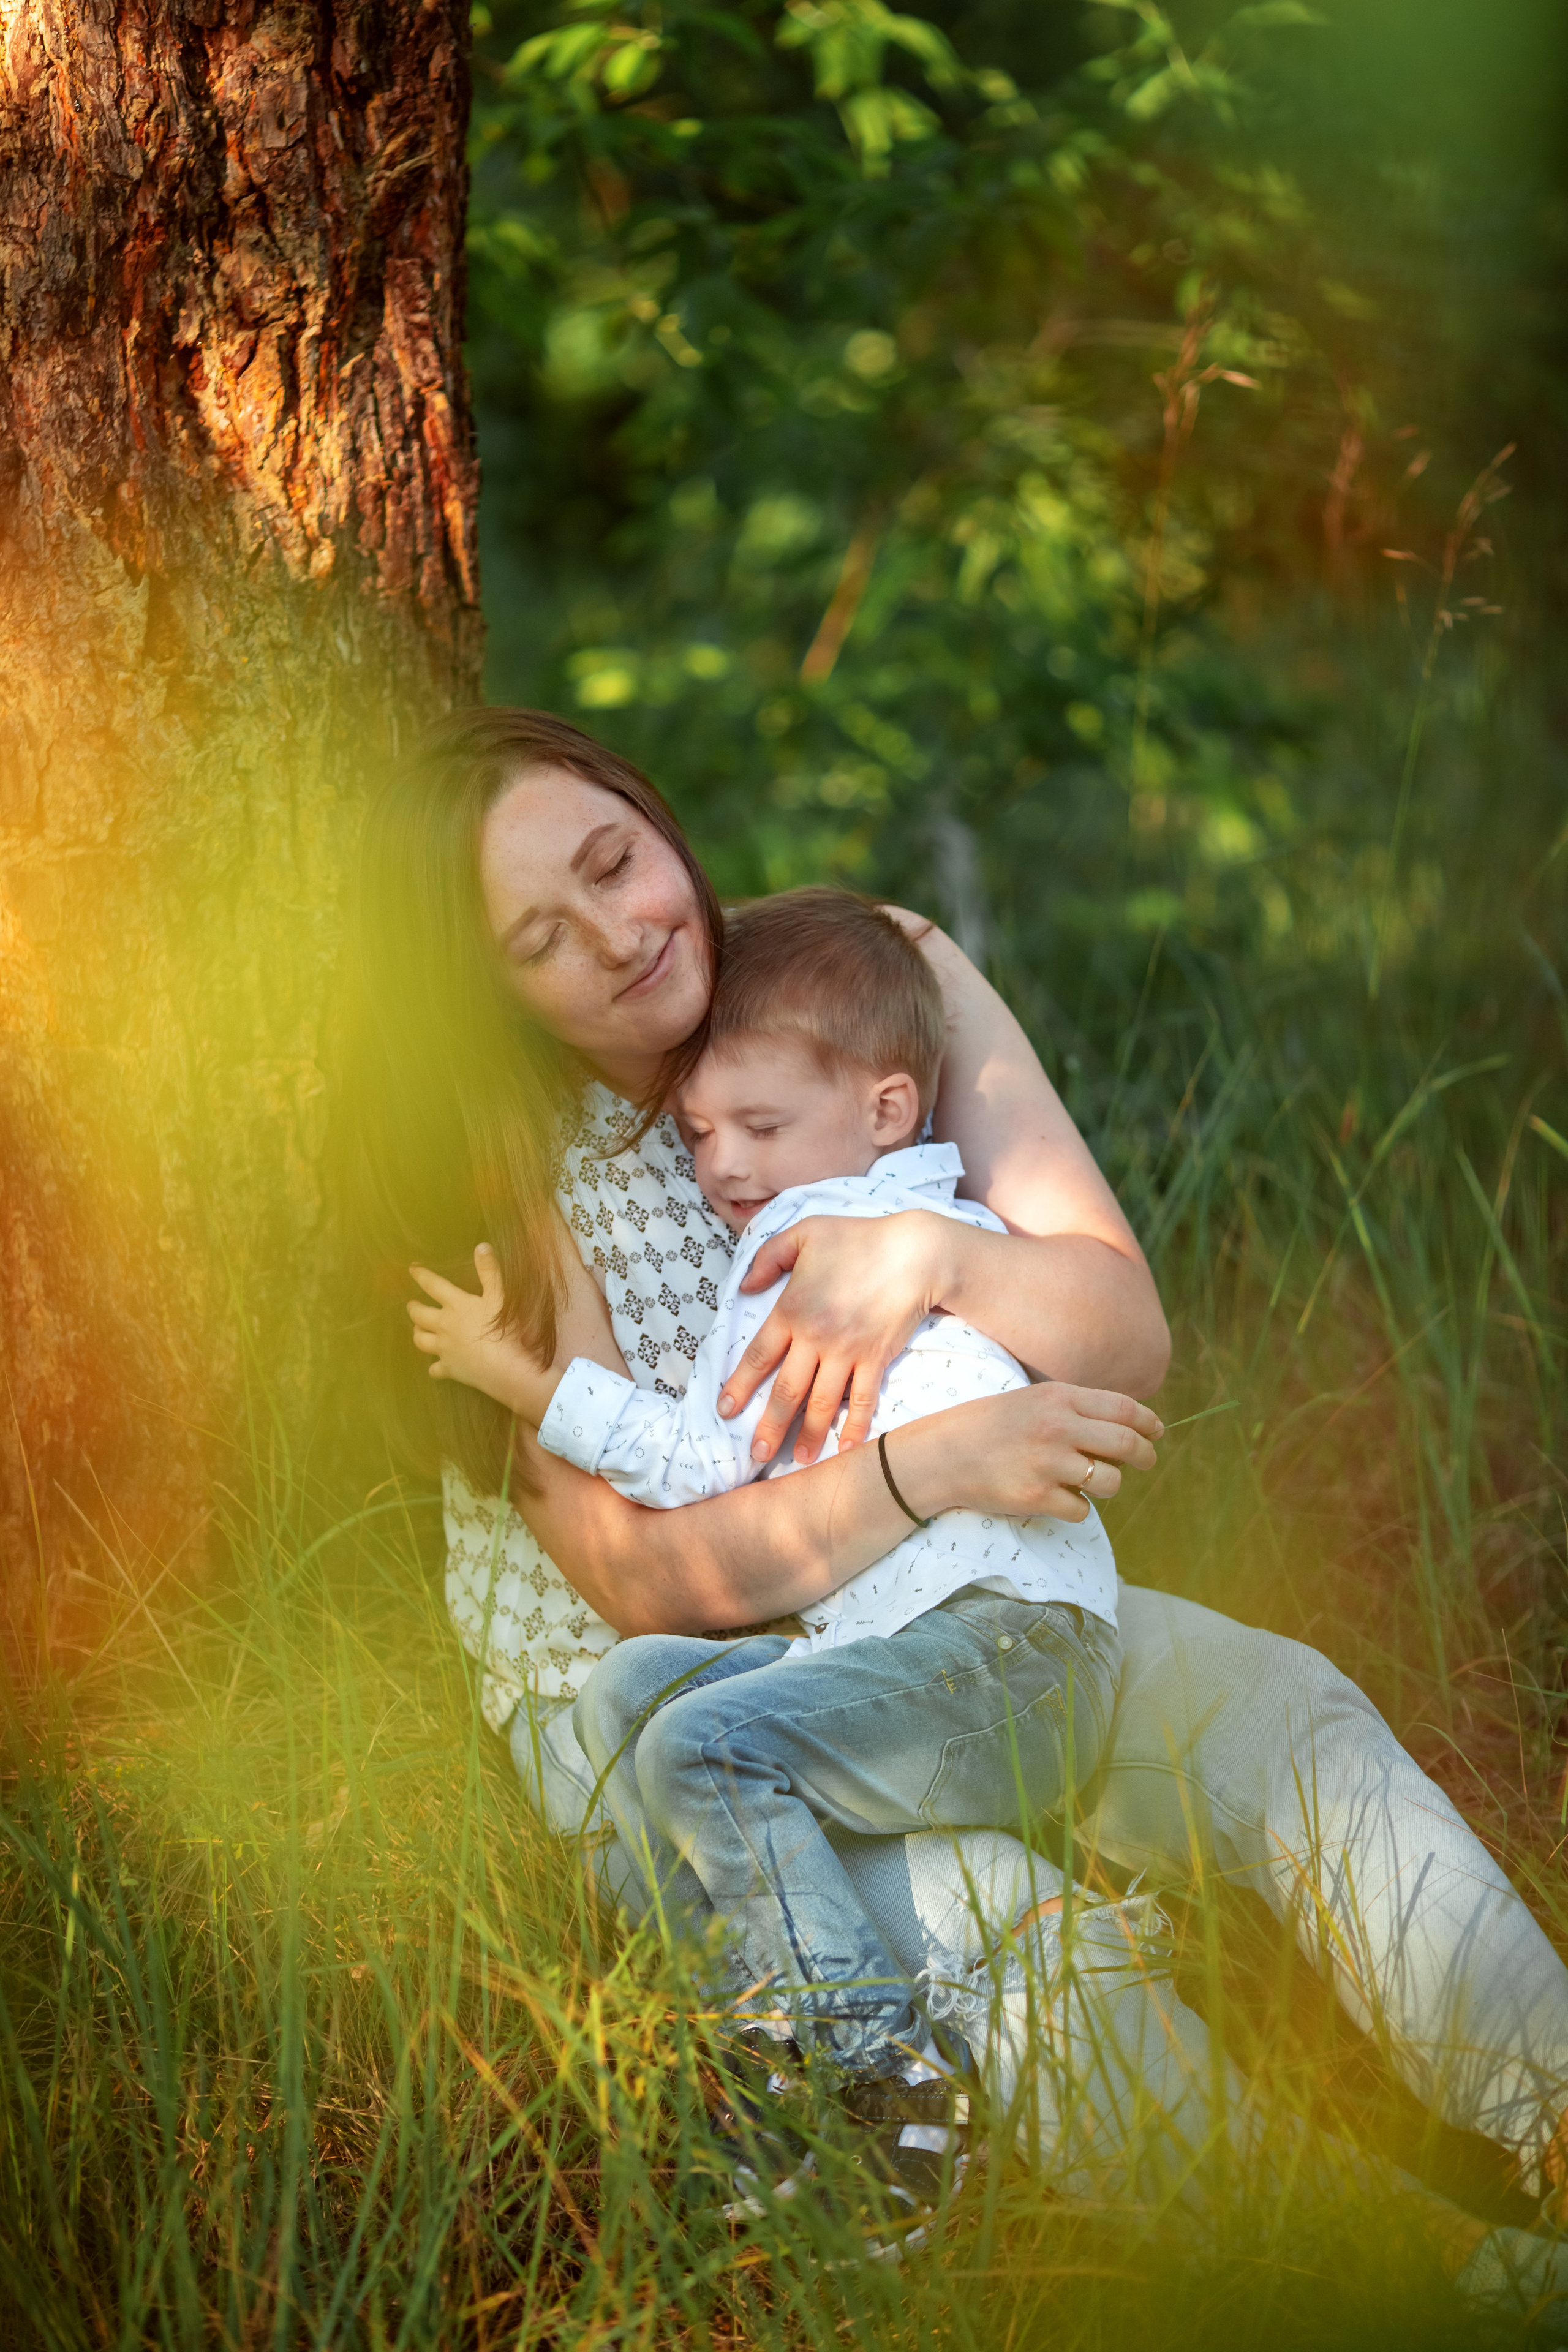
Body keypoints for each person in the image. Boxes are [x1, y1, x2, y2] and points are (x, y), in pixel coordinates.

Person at [340, 704, 1568, 2255]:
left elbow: (1119, 1338)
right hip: (677, 1715)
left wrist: (929, 1252)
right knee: (1005, 1922)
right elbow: (647, 1584)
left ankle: (1556, 2117)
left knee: (1279, 1707)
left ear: (655, 818)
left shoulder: (868, 975)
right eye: (538, 935)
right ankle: (1437, 2290)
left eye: (614, 861)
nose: (616, 935)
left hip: (931, 1614)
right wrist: (932, 1466)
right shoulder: (496, 1164)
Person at [407, 886, 1125, 2204]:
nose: (724, 1166)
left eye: (760, 1127)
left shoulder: (903, 1234)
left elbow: (1112, 1335)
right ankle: (783, 2019)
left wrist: (529, 1387)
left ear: (887, 1113)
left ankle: (874, 2080)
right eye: (698, 1134)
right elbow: (697, 1471)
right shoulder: (782, 1254)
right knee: (633, 1699)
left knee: (703, 1744)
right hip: (923, 1650)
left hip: (1010, 1653)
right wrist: (521, 1381)